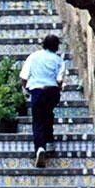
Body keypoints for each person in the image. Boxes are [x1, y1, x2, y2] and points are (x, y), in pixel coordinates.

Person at [19, 34, 65, 167]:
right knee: (48, 113)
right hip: (52, 90)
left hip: (37, 90)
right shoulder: (59, 60)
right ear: (56, 46)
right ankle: (49, 140)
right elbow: (59, 80)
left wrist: (28, 90)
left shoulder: (33, 57)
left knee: (38, 119)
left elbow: (23, 77)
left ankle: (40, 147)